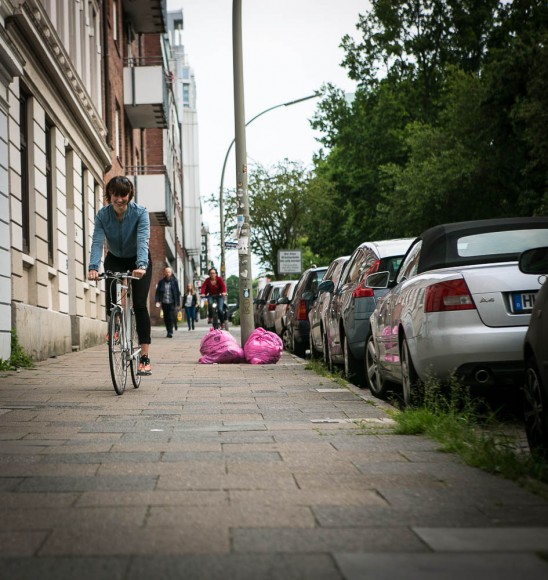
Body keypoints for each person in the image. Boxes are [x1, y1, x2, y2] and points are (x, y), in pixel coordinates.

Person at [88, 176, 153, 375]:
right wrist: (92, 266)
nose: (120, 199)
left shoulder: (140, 213)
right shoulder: (102, 215)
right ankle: (116, 324)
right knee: (111, 299)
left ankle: (144, 357)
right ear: (110, 196)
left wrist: (141, 265)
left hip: (137, 259)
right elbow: (98, 242)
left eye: (124, 195)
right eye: (116, 195)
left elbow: (143, 240)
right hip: (115, 258)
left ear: (129, 195)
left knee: (140, 305)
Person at [155, 267, 180, 338]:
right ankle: (168, 330)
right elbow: (157, 292)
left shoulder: (174, 281)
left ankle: (170, 332)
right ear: (164, 273)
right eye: (166, 272)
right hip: (164, 302)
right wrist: (157, 301)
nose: (167, 273)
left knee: (170, 317)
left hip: (172, 302)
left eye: (169, 272)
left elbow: (177, 293)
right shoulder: (161, 282)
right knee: (166, 317)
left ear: (171, 273)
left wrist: (178, 303)